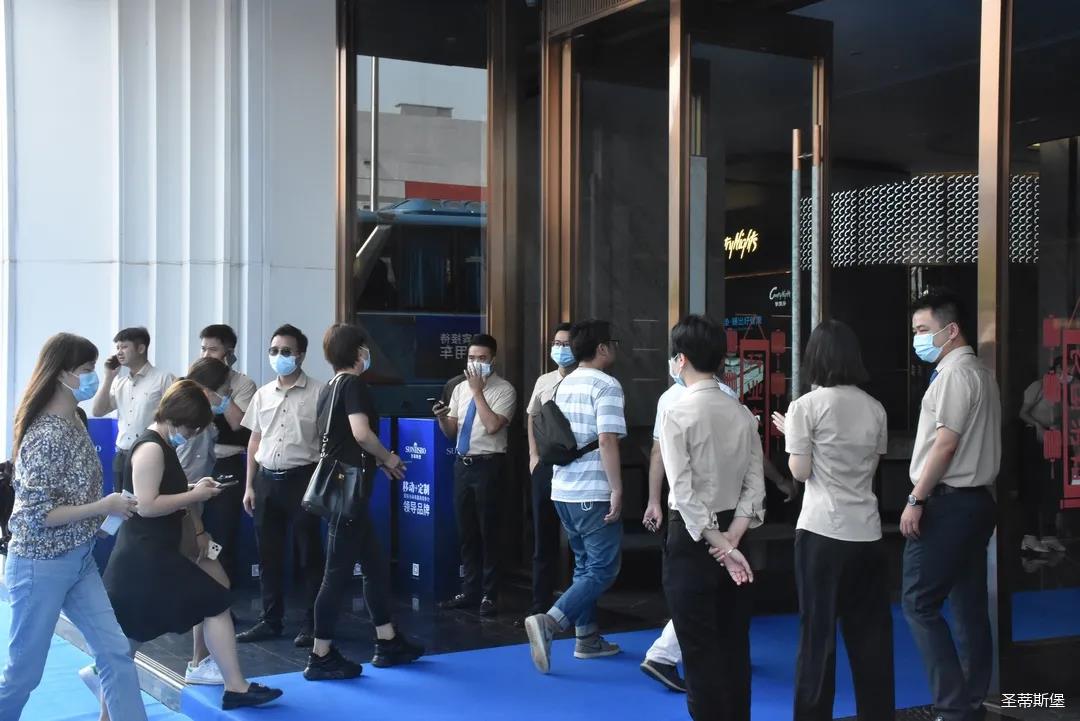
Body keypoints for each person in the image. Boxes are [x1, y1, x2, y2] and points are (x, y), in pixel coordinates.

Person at [102, 380, 282, 713]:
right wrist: (193, 495)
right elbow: (146, 505)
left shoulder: (160, 445)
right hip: (146, 557)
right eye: (192, 427)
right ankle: (235, 687)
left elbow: (157, 488)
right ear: (176, 417)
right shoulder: (152, 448)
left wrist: (193, 487)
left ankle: (235, 686)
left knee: (128, 642)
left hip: (152, 553)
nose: (193, 433)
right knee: (212, 603)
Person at [0, 333, 147, 721]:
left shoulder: (76, 420)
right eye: (85, 369)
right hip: (39, 565)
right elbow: (37, 514)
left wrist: (98, 517)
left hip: (79, 560)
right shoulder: (45, 435)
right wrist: (103, 507)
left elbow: (74, 495)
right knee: (22, 675)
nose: (92, 377)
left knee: (115, 653)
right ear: (62, 374)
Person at [771, 319, 894, 721]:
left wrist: (793, 435)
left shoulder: (805, 407)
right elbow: (870, 467)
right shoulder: (875, 408)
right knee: (872, 637)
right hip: (868, 531)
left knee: (817, 635)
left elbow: (801, 472)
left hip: (822, 531)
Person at [641, 376, 795, 694]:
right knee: (721, 605)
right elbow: (753, 471)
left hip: (691, 522)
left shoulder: (671, 403)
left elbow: (671, 472)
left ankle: (668, 657)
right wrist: (732, 537)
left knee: (694, 602)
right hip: (726, 518)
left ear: (681, 360)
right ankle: (668, 656)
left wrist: (655, 499)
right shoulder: (733, 405)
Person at [658, 315, 765, 721]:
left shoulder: (676, 413)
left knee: (698, 650)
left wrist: (719, 542)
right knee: (735, 644)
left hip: (692, 540)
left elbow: (682, 492)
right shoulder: (742, 413)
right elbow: (754, 486)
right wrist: (733, 539)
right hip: (736, 536)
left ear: (681, 359)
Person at [303, 324, 424, 681]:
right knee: (335, 575)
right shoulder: (353, 385)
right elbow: (361, 433)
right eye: (364, 348)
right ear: (358, 352)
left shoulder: (329, 387)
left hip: (345, 492)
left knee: (374, 566)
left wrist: (378, 460)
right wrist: (387, 457)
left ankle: (387, 640)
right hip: (348, 496)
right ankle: (320, 654)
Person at [903, 291, 1000, 721]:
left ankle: (953, 705)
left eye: (924, 330)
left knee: (918, 603)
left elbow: (945, 445)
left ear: (951, 330)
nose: (918, 339)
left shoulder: (957, 375)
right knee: (967, 604)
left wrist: (916, 498)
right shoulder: (978, 373)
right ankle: (971, 700)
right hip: (974, 502)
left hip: (948, 501)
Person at [525, 319, 626, 673]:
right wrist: (617, 488)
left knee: (584, 565)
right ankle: (550, 622)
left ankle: (587, 637)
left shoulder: (562, 383)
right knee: (603, 568)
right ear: (602, 348)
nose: (615, 348)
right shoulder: (606, 385)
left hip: (562, 488)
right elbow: (607, 440)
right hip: (591, 488)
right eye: (613, 342)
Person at [237, 324, 326, 647]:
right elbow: (254, 440)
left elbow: (327, 442)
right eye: (274, 351)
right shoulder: (262, 394)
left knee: (309, 555)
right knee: (268, 556)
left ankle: (313, 623)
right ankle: (270, 620)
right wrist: (249, 485)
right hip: (266, 480)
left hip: (303, 479)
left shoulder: (320, 392)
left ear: (301, 355)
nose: (279, 356)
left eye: (286, 351)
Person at [435, 334, 517, 616]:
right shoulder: (459, 389)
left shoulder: (504, 389)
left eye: (482, 358)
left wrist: (478, 392)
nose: (475, 363)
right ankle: (470, 591)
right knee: (467, 532)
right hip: (463, 464)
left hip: (489, 465)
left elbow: (493, 426)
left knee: (489, 531)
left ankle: (490, 594)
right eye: (471, 358)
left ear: (493, 359)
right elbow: (451, 432)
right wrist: (441, 417)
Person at [175, 357, 234, 686]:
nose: (226, 396)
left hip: (192, 513)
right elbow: (182, 479)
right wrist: (198, 528)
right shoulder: (191, 425)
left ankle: (201, 659)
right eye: (223, 389)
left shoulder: (202, 421)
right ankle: (200, 661)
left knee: (212, 584)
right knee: (210, 585)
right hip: (185, 517)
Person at [198, 324, 260, 584]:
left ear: (229, 352)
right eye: (203, 349)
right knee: (194, 529)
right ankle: (196, 590)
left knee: (221, 532)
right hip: (195, 465)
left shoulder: (243, 384)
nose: (206, 355)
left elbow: (239, 427)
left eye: (213, 349)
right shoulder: (193, 379)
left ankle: (221, 590)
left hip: (227, 464)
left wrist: (221, 395)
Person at [524, 322, 575, 619]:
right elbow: (532, 417)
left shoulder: (586, 381)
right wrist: (533, 455)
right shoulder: (544, 380)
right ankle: (539, 607)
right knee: (542, 538)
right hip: (545, 467)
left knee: (577, 540)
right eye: (556, 343)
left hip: (575, 466)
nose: (560, 349)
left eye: (566, 344)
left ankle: (574, 607)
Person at [91, 327, 176, 492]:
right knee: (122, 504)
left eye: (124, 347)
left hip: (150, 454)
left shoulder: (163, 378)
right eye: (117, 347)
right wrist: (108, 377)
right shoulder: (119, 382)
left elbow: (175, 416)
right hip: (122, 455)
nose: (119, 352)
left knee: (145, 502)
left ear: (141, 348)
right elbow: (98, 411)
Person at [1017, 357, 1067, 554]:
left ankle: (1049, 535)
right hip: (1036, 436)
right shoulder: (1038, 386)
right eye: (1064, 369)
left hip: (1054, 437)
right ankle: (1030, 536)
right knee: (1033, 484)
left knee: (1052, 485)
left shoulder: (1065, 390)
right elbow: (1023, 413)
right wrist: (1038, 425)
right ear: (1056, 368)